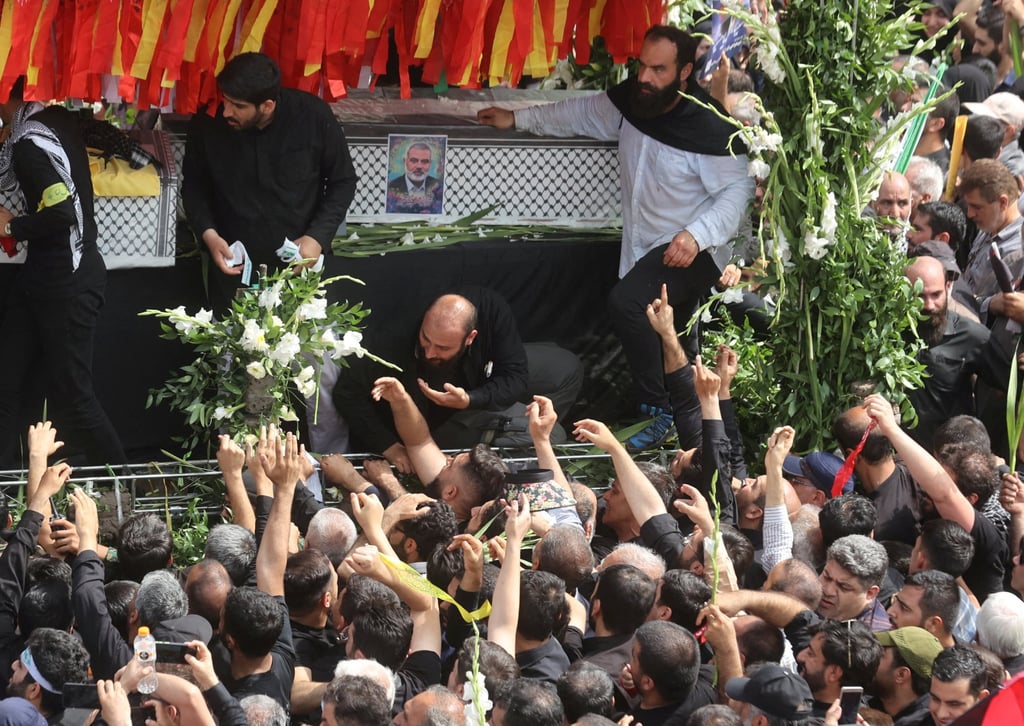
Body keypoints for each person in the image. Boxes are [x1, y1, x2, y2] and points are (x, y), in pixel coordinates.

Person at [478, 24, 754, 452]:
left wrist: (697, 235)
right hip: (646, 246)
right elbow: (580, 114)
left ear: (684, 73)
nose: (644, 78)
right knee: (675, 336)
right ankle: (692, 433)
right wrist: (518, 118)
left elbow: (739, 191)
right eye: (641, 66)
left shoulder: (709, 127)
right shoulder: (633, 101)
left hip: (695, 250)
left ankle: (657, 410)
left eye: (658, 70)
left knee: (628, 303)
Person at [0, 77, 126, 468]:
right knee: (6, 381)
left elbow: (60, 213)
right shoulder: (54, 118)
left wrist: (9, 226)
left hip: (67, 282)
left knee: (75, 395)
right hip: (41, 278)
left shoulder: (27, 145)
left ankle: (126, 487)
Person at [181, 52, 357, 309]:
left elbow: (343, 181)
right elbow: (194, 186)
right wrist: (208, 234)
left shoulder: (313, 116)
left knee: (297, 345)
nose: (227, 111)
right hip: (233, 266)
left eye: (238, 106)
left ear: (267, 105)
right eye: (225, 100)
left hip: (299, 265)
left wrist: (317, 238)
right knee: (233, 344)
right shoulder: (208, 122)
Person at [335, 288, 582, 459]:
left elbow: (515, 375)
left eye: (443, 347)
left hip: (475, 387)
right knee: (556, 435)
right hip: (434, 421)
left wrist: (471, 399)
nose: (430, 352)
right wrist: (388, 446)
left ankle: (519, 427)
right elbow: (346, 393)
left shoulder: (489, 309)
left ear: (470, 337)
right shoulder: (394, 337)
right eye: (425, 339)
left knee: (566, 367)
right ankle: (516, 438)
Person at [903, 256, 993, 447]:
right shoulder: (890, 331)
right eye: (919, 296)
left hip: (949, 457)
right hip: (900, 454)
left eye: (936, 295)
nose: (929, 305)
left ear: (947, 287)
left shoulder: (972, 336)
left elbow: (1006, 387)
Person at [386, 141, 444, 214]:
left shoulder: (439, 187)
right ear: (405, 161)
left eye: (425, 161)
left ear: (430, 163)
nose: (419, 166)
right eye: (414, 160)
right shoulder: (391, 188)